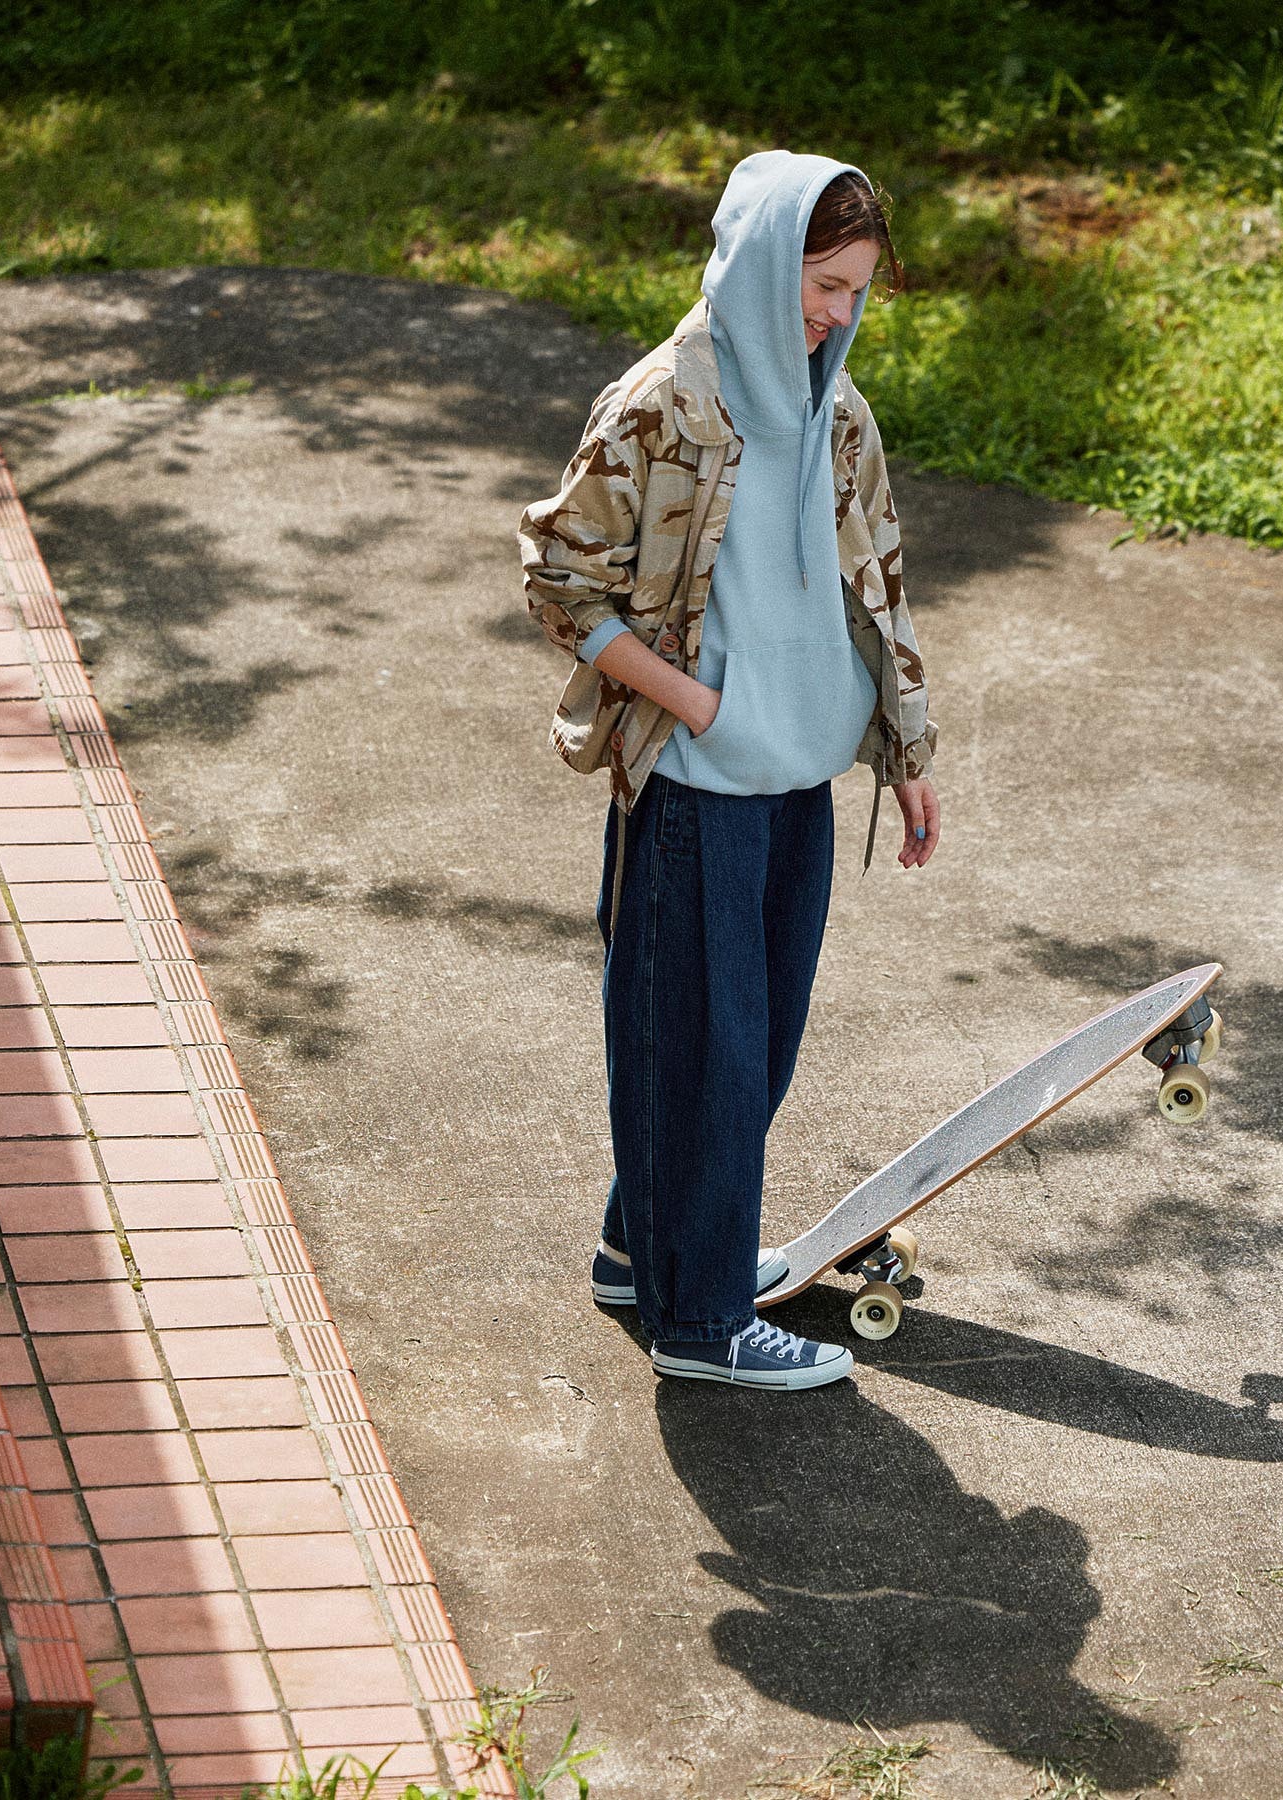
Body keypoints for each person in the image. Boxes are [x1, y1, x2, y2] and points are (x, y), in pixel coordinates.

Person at [518, 151, 939, 1391]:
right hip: (698, 786)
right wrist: (698, 701)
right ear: (761, 263)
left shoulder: (836, 405)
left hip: (795, 780)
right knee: (699, 1046)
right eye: (819, 284)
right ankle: (698, 1325)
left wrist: (907, 750)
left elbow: (882, 585)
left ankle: (638, 1251)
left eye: (855, 292)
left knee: (749, 1048)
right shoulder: (666, 402)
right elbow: (559, 577)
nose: (834, 314)